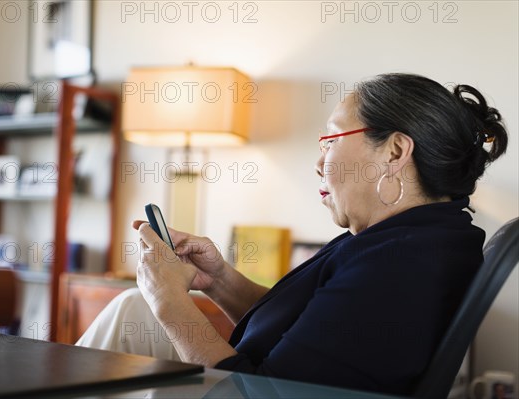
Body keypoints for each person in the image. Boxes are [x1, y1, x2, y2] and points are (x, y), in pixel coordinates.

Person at [77, 73, 508, 395]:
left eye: (331, 140)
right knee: (134, 308)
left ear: (395, 151)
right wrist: (220, 280)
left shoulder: (402, 263)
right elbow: (310, 330)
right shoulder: (409, 237)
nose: (319, 163)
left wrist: (169, 301)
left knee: (141, 307)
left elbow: (258, 394)